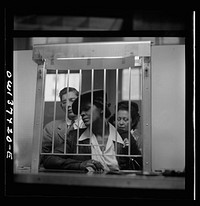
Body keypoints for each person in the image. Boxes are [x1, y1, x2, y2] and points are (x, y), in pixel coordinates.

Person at [42, 89, 134, 172]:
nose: (82, 113)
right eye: (81, 110)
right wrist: (80, 165)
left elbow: (139, 166)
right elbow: (49, 159)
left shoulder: (124, 136)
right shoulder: (74, 137)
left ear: (101, 108)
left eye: (86, 109)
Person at [40, 87, 86, 169]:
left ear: (80, 102)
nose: (68, 105)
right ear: (61, 106)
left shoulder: (89, 126)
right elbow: (43, 156)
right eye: (64, 102)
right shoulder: (51, 128)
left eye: (72, 100)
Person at [109, 101, 142, 170]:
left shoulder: (139, 138)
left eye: (125, 119)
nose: (121, 123)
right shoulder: (110, 134)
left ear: (133, 122)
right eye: (118, 119)